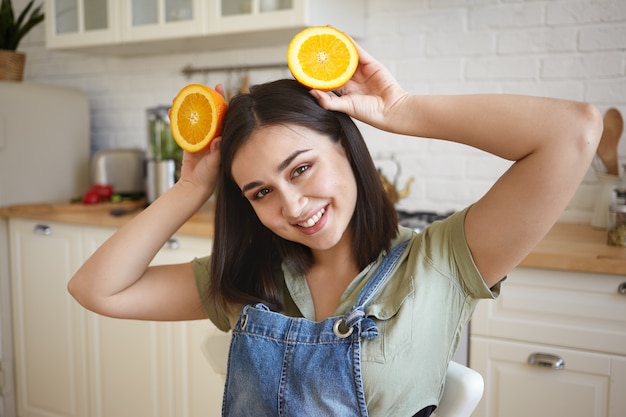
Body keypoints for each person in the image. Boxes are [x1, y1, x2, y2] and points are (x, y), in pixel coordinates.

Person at [68, 42, 602, 416]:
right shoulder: (248, 278)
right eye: (260, 192)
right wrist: (190, 190)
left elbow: (574, 130)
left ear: (347, 148)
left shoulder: (441, 262)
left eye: (301, 168)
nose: (293, 205)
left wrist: (404, 109)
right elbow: (96, 289)